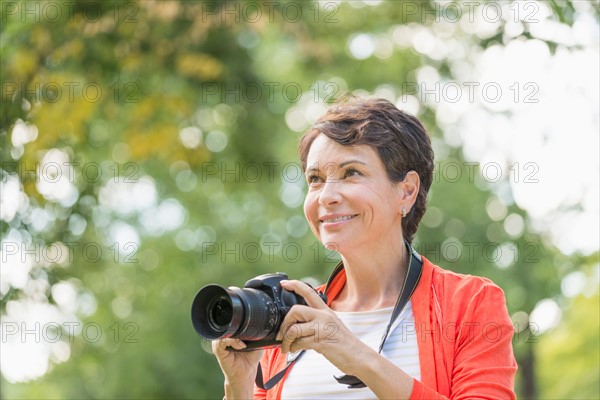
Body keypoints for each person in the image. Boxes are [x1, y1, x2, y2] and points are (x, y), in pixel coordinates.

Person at [212, 98, 517, 399]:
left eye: (351, 173)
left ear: (406, 191)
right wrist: (239, 387)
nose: (326, 196)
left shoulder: (470, 304)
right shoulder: (292, 314)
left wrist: (353, 352)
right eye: (315, 179)